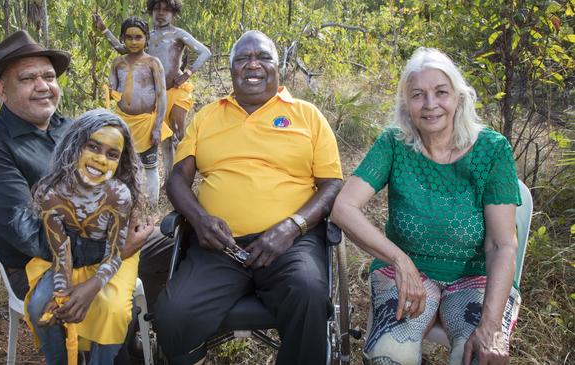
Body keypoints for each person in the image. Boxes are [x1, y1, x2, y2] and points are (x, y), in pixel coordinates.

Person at [0, 30, 171, 363]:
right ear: (2, 89)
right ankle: (99, 353)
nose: (42, 85)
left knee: (173, 246)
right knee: (68, 300)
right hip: (41, 264)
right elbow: (33, 237)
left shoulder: (70, 128)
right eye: (28, 78)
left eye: (48, 76)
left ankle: (139, 333)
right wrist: (115, 249)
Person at [154, 30, 343, 365]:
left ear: (278, 68)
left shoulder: (307, 116)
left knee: (309, 293)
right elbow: (177, 182)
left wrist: (291, 227)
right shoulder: (208, 117)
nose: (252, 64)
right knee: (172, 315)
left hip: (291, 244)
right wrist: (200, 221)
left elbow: (331, 185)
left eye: (263, 57)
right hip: (220, 245)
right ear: (231, 70)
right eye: (242, 58)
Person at [331, 47, 522, 365]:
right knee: (388, 358)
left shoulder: (492, 149)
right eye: (418, 95)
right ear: (406, 103)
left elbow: (502, 245)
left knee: (479, 358)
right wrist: (400, 260)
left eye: (441, 92)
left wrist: (489, 327)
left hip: (474, 276)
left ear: (458, 96)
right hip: (408, 273)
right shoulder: (394, 143)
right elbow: (343, 207)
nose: (431, 105)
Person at [24, 109, 150, 364]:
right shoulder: (51, 194)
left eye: (112, 154)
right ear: (74, 146)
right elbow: (60, 252)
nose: (101, 160)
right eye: (93, 147)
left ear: (120, 162)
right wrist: (62, 293)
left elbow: (117, 253)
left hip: (115, 259)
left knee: (112, 310)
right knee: (41, 306)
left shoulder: (119, 196)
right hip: (69, 258)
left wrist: (91, 288)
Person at [93, 0, 211, 184]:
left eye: (166, 10)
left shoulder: (178, 34)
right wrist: (104, 30)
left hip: (177, 90)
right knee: (163, 138)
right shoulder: (147, 36)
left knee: (180, 133)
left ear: (174, 13)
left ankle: (191, 174)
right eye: (157, 9)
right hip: (157, 96)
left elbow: (205, 52)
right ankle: (170, 179)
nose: (161, 13)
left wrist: (188, 73)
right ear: (151, 11)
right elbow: (124, 49)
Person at [108, 16, 171, 208]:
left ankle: (150, 206)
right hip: (123, 122)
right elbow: (113, 90)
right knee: (123, 165)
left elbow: (161, 96)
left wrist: (157, 127)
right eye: (128, 37)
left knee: (149, 166)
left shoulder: (153, 63)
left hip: (146, 123)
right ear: (122, 38)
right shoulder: (117, 63)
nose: (133, 42)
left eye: (138, 37)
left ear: (146, 38)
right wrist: (108, 91)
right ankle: (125, 203)